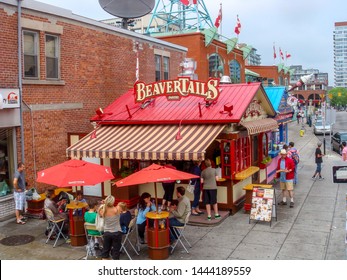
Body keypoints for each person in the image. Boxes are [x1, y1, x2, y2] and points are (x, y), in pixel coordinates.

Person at [98, 195, 122, 260]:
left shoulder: (103, 211)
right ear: (113, 202)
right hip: (116, 232)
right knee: (116, 251)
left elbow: (99, 212)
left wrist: (104, 204)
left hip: (107, 233)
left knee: (105, 252)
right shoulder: (117, 209)